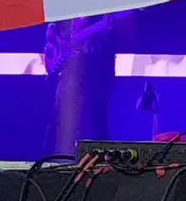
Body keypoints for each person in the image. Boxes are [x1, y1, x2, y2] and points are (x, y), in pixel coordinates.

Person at [43, 10, 134, 156]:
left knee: (97, 114)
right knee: (59, 114)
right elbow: (56, 28)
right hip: (71, 69)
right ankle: (50, 155)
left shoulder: (103, 9)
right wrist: (54, 36)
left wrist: (106, 26)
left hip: (95, 67)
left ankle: (101, 157)